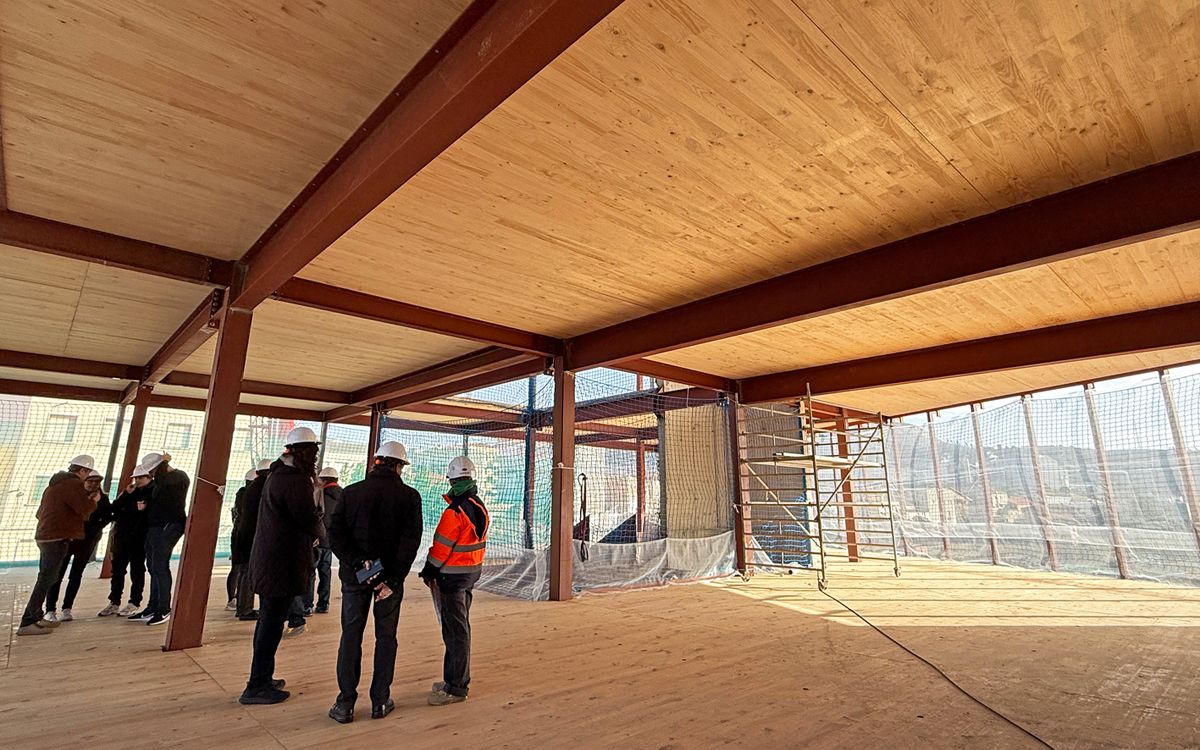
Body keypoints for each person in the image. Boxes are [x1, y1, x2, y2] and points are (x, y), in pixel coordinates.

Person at [327, 442, 422, 724]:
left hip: (355, 577)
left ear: (376, 461)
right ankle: (380, 700)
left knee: (351, 636)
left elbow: (336, 534)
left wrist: (358, 563)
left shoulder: (351, 493)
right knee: (386, 637)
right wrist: (390, 579)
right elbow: (410, 543)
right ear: (398, 466)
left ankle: (345, 704)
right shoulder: (409, 496)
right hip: (389, 583)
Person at [240, 427, 323, 706]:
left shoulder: (278, 475)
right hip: (280, 563)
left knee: (269, 621)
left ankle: (262, 677)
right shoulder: (294, 480)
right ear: (306, 452)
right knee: (271, 624)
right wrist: (324, 536)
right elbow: (306, 516)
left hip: (270, 560)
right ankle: (257, 684)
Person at [419, 456, 489, 706]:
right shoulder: (479, 505)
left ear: (450, 479)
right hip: (470, 574)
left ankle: (456, 687)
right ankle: (454, 680)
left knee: (455, 632)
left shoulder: (454, 511)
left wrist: (429, 570)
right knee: (460, 628)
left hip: (451, 577)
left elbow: (441, 547)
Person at [17, 455, 101, 636]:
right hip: (57, 538)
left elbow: (40, 513)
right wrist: (93, 501)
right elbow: (83, 509)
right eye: (87, 474)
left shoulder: (54, 485)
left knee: (47, 577)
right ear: (83, 471)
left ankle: (37, 616)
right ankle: (28, 621)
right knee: (47, 579)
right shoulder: (72, 485)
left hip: (45, 536)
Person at [129, 452, 189, 626]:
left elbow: (162, 479)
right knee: (153, 566)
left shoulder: (178, 477)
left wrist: (163, 462)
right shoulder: (161, 481)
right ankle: (153, 606)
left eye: (153, 470)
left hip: (169, 525)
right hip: (156, 526)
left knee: (160, 566)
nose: (152, 475)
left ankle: (164, 608)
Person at [45, 469, 112, 621]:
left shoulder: (102, 499)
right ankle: (50, 609)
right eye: (90, 481)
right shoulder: (75, 496)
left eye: (97, 482)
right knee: (57, 574)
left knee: (76, 574)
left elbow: (108, 516)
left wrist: (95, 527)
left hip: (87, 541)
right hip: (69, 539)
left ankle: (67, 608)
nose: (93, 484)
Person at [101, 461, 152, 617]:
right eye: (136, 478)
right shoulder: (130, 492)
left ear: (150, 477)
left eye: (141, 478)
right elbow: (114, 509)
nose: (138, 481)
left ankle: (134, 602)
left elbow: (146, 515)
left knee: (137, 570)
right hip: (122, 538)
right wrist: (125, 494)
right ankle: (114, 602)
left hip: (139, 539)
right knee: (117, 571)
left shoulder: (153, 493)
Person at [232, 459, 272, 620]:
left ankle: (243, 607)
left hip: (243, 536)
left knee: (244, 572)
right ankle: (246, 609)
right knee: (251, 573)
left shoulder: (248, 490)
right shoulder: (264, 488)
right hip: (255, 537)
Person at [307, 466, 342, 615]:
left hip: (317, 540)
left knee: (310, 573)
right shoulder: (344, 496)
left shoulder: (319, 494)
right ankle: (323, 603)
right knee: (325, 572)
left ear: (324, 480)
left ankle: (307, 604)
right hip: (331, 542)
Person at [226, 467, 258, 612]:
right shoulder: (255, 496)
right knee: (246, 570)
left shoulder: (241, 495)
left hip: (237, 535)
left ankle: (233, 599)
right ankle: (243, 603)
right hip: (248, 537)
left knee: (236, 568)